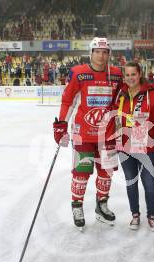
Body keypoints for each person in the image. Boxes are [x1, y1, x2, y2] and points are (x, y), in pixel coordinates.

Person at [52, 37, 123, 230]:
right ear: (91, 53)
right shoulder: (79, 73)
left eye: (105, 52)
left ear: (109, 54)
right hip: (84, 133)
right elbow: (67, 100)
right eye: (98, 51)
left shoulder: (116, 74)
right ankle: (77, 206)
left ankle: (102, 205)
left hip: (107, 134)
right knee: (81, 172)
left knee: (106, 172)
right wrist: (61, 125)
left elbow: (122, 101)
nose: (101, 55)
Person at [114, 61, 154, 232]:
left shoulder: (152, 96)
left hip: (147, 149)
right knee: (131, 183)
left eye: (133, 74)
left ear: (139, 74)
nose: (130, 78)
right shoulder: (121, 95)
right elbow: (115, 120)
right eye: (127, 75)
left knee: (149, 184)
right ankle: (135, 215)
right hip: (125, 149)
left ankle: (151, 216)